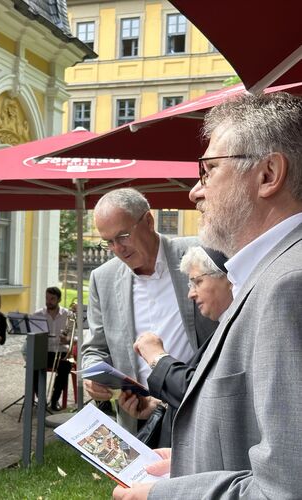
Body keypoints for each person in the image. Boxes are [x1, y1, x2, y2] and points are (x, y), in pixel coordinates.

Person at [114, 92, 302, 500]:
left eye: (209, 170)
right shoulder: (272, 274)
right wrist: (189, 462)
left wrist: (161, 495)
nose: (194, 193)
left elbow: (284, 490)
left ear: (269, 173)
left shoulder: (290, 285)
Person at [82, 188, 217, 432]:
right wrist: (93, 378)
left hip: (201, 410)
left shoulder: (200, 253)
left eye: (122, 236)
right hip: (141, 417)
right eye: (108, 242)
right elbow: (95, 348)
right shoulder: (103, 278)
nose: (118, 248)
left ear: (148, 221)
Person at [118, 246, 232, 447]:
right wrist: (158, 406)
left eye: (197, 281)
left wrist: (158, 358)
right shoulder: (226, 325)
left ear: (228, 279)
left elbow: (205, 395)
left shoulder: (237, 327)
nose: (191, 294)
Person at [33, 286, 72, 412]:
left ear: (59, 299)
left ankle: (55, 400)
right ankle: (41, 399)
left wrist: (68, 340)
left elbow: (77, 336)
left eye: (52, 299)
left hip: (62, 351)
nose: (48, 301)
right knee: (34, 366)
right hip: (45, 351)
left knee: (65, 367)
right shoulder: (38, 315)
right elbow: (32, 335)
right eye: (47, 298)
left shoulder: (68, 315)